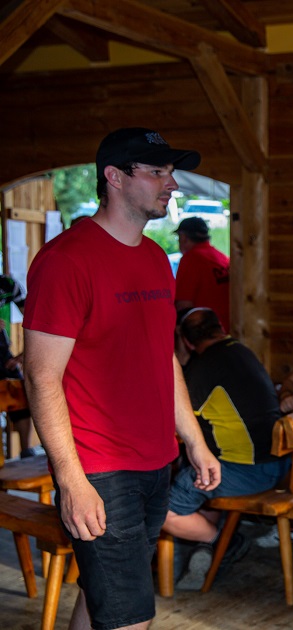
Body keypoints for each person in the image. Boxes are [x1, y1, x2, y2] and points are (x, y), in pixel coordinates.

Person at [23, 127, 221, 630]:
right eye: (157, 171)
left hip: (156, 461)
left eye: (171, 172)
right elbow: (42, 378)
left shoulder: (155, 258)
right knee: (130, 617)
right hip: (100, 468)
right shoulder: (66, 261)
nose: (171, 183)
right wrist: (71, 481)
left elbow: (163, 358)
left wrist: (193, 440)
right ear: (114, 177)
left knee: (104, 599)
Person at [164, 307, 291, 589]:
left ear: (187, 342)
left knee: (163, 511)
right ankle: (207, 546)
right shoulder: (241, 351)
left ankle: (224, 542)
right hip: (281, 461)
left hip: (250, 472)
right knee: (201, 467)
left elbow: (175, 420)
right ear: (220, 327)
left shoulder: (202, 369)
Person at [0, 275, 36, 457]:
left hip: (2, 355)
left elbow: (34, 318)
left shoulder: (7, 285)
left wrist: (23, 355)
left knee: (20, 398)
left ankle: (26, 451)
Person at [175, 216, 231, 331]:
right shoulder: (221, 257)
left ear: (183, 237)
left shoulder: (191, 259)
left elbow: (183, 305)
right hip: (225, 330)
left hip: (205, 333)